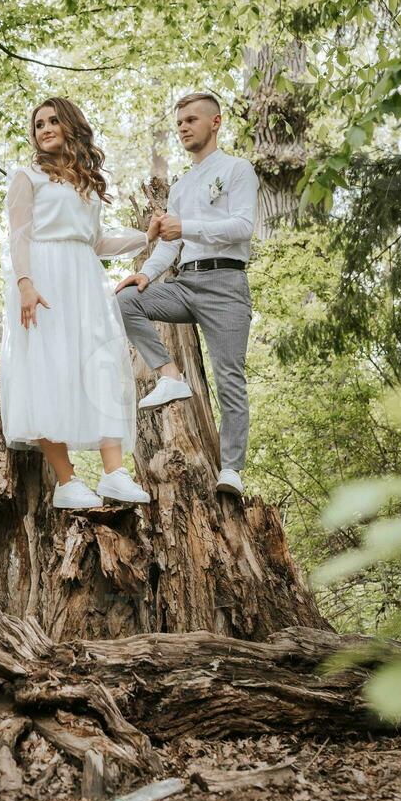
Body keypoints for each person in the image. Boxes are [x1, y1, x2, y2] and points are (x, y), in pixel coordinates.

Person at [0, 97, 159, 509]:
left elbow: (98, 242)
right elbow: (19, 236)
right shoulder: (27, 177)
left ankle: (114, 473)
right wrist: (25, 284)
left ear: (71, 126)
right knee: (47, 372)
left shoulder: (84, 182)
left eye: (54, 121)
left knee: (99, 364)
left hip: (85, 278)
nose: (45, 128)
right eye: (38, 124)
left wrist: (146, 238)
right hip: (44, 278)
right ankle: (67, 481)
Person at [115, 92, 257, 497]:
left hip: (226, 287)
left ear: (216, 122)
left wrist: (186, 227)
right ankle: (171, 376)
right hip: (184, 284)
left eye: (192, 120)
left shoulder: (237, 169)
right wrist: (144, 274)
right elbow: (169, 244)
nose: (183, 128)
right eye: (179, 122)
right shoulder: (180, 186)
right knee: (125, 301)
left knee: (230, 378)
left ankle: (231, 470)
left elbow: (243, 226)